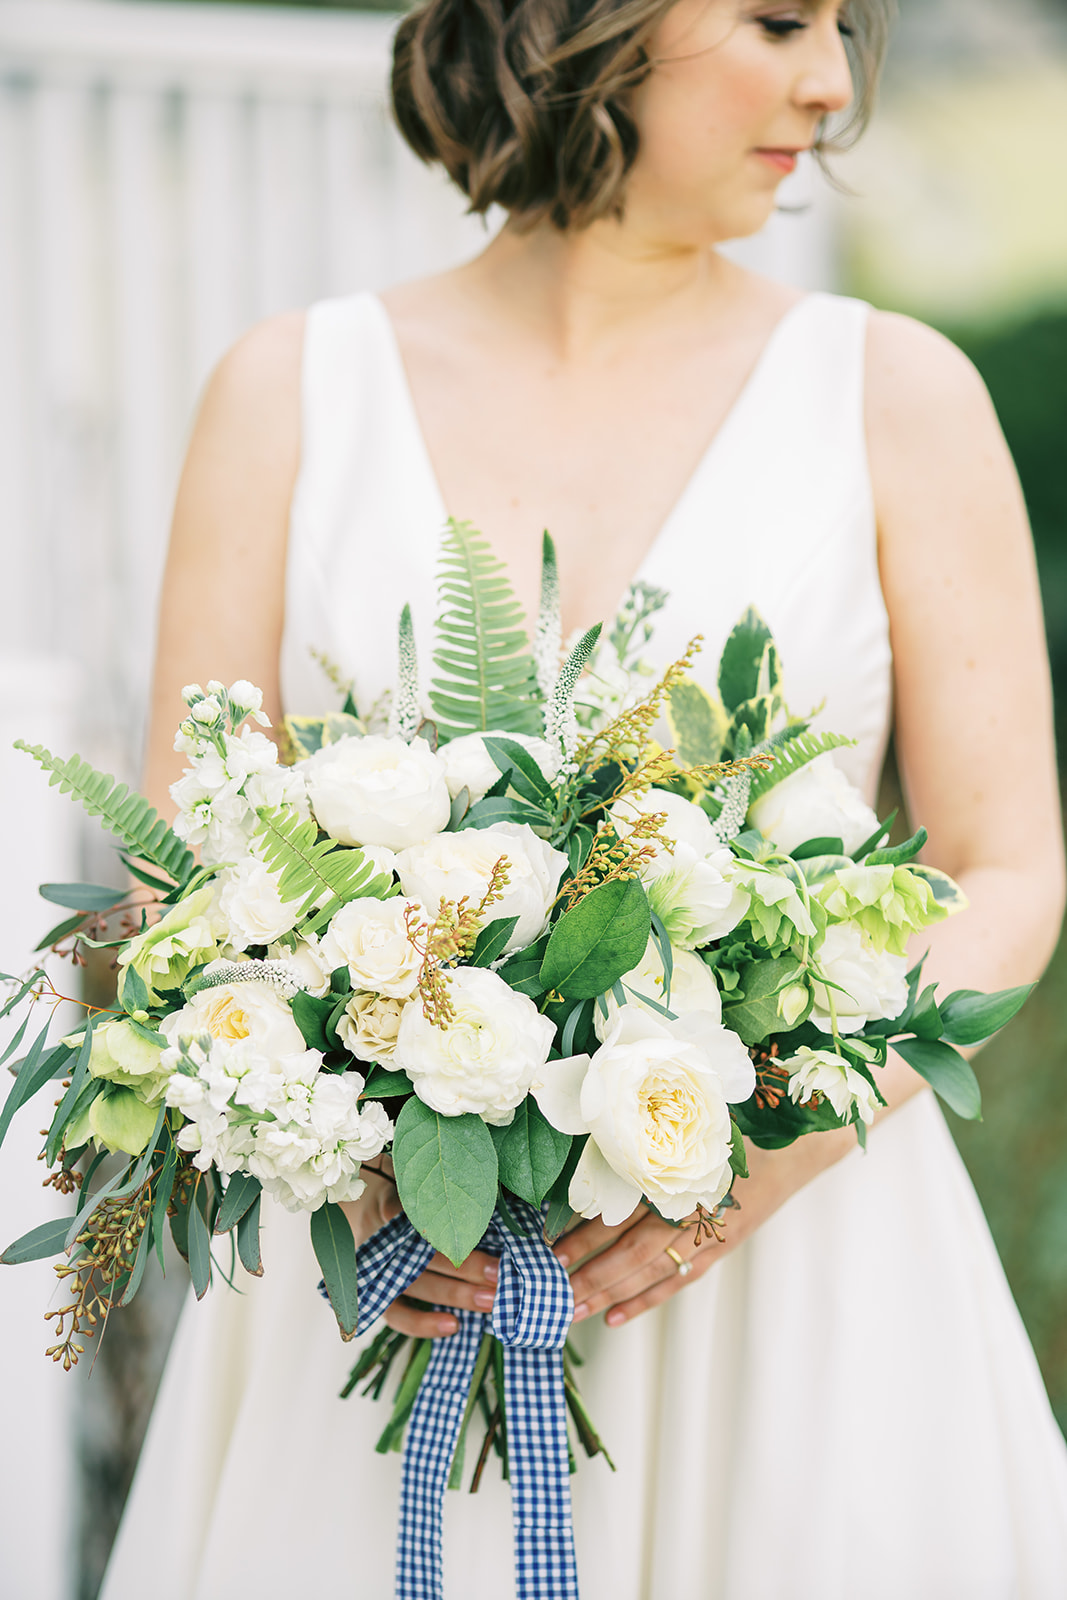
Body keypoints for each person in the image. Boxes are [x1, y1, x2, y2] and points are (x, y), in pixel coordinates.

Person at [102, 2, 1067, 1595]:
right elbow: (175, 872)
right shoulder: (288, 392)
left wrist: (763, 1152)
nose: (831, 80)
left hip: (803, 1286)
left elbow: (1007, 872)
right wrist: (358, 1155)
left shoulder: (899, 396)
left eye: (842, 26)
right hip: (399, 1285)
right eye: (774, 18)